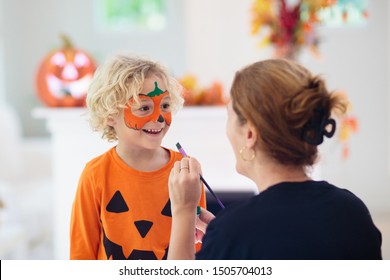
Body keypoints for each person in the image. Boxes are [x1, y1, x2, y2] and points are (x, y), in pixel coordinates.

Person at [167, 58, 382, 260]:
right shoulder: (352, 211)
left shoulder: (233, 232)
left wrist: (184, 212)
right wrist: (223, 243)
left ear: (250, 134)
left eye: (229, 115)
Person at [70, 53, 206, 260]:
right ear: (110, 115)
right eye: (144, 108)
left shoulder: (184, 173)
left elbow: (195, 250)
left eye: (165, 106)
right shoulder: (95, 174)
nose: (159, 118)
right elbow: (81, 253)